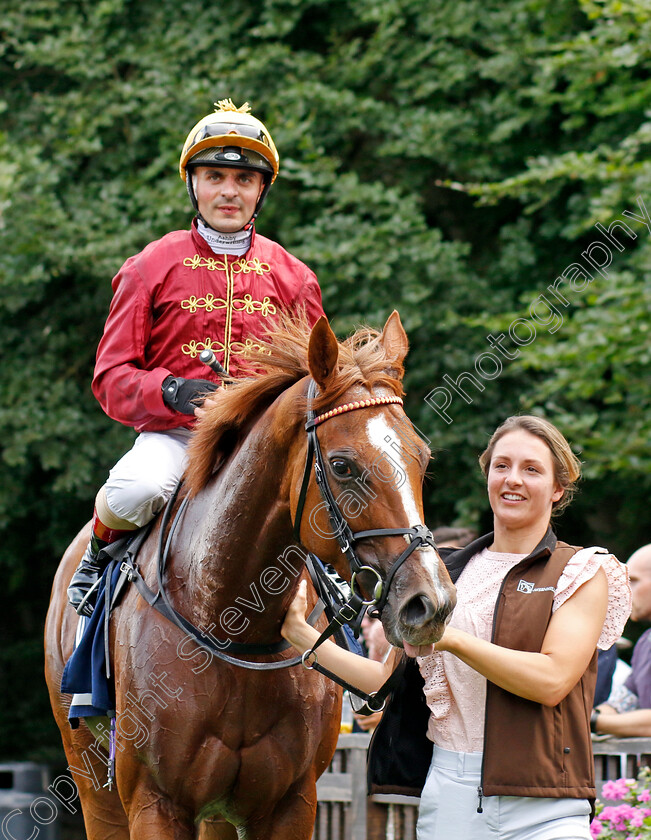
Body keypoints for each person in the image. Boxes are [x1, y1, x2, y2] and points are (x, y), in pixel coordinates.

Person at [281, 415, 631, 840]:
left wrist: (450, 639)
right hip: (448, 796)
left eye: (531, 469)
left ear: (558, 489)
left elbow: (552, 679)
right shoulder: (445, 571)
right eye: (501, 466)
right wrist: (301, 635)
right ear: (487, 476)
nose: (512, 479)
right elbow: (381, 680)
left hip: (546, 806)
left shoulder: (581, 569)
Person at [67, 99, 324, 616]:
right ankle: (96, 559)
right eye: (215, 176)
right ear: (194, 183)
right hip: (176, 436)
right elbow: (111, 376)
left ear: (261, 190)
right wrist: (169, 391)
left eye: (244, 180)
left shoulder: (295, 277)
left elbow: (319, 379)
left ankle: (352, 620)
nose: (229, 191)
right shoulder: (149, 266)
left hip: (268, 441)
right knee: (136, 487)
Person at [592, 544, 651, 736]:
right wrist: (593, 714)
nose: (625, 590)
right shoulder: (646, 641)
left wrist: (593, 722)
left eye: (633, 581)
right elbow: (624, 700)